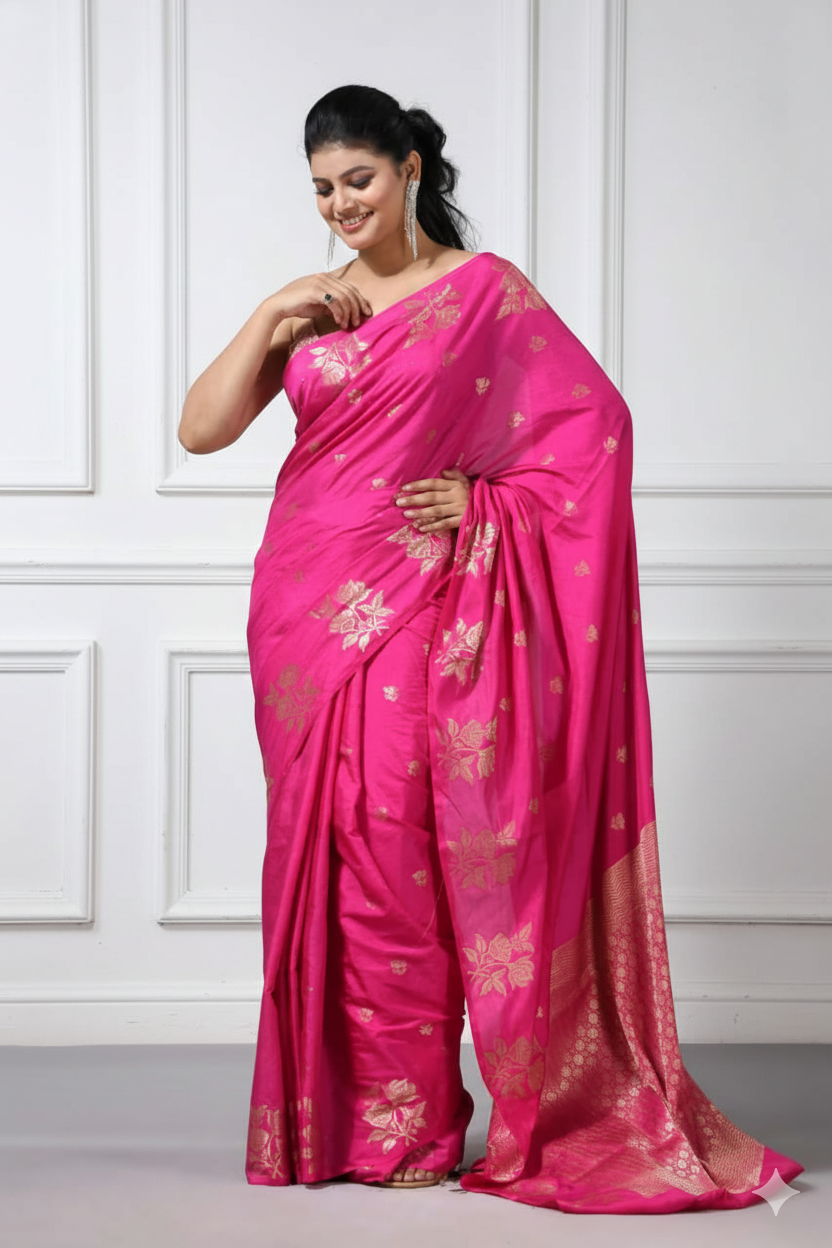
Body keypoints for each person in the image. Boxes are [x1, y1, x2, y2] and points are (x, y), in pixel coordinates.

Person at [178, 84, 805, 1212]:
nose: (340, 205)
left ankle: (412, 1125)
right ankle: (328, 1125)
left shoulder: (480, 295)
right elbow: (202, 427)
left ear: (412, 166)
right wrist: (276, 311)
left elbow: (591, 431)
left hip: (417, 603)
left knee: (395, 853)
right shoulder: (317, 309)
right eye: (321, 189)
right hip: (300, 605)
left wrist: (482, 503)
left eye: (358, 180)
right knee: (313, 855)